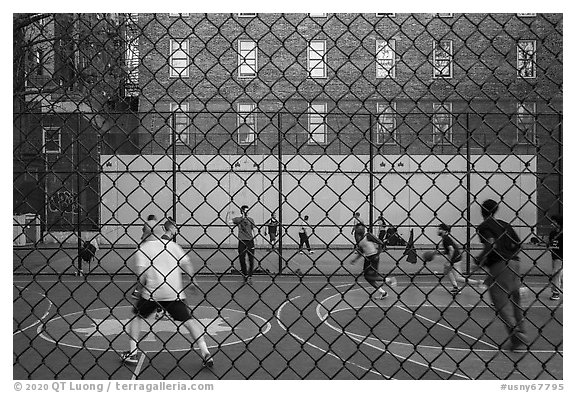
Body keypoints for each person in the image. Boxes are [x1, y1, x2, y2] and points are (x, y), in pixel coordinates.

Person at [121, 220, 213, 368]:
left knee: (138, 318)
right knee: (189, 321)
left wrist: (138, 290)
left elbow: (142, 275)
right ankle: (205, 352)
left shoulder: (142, 249)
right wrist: (192, 279)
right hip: (173, 292)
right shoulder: (172, 245)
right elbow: (187, 263)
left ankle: (132, 352)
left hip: (152, 292)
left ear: (145, 233)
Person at [475, 199, 527, 351]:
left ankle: (516, 333)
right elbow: (519, 245)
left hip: (499, 265)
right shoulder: (505, 224)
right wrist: (509, 255)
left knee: (500, 303)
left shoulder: (484, 226)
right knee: (515, 300)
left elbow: (491, 243)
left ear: (482, 211)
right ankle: (521, 330)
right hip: (515, 264)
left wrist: (480, 259)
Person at [351, 223, 397, 300]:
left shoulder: (368, 236)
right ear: (356, 229)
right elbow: (362, 251)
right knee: (367, 277)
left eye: (362, 228)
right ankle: (383, 292)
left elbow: (380, 242)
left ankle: (389, 280)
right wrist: (355, 259)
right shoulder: (359, 239)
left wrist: (378, 253)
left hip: (373, 257)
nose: (361, 230)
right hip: (367, 258)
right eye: (359, 228)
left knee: (371, 276)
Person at [229, 205, 257, 285]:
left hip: (250, 241)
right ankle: (245, 274)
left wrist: (256, 238)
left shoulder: (251, 220)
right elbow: (229, 222)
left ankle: (250, 275)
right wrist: (230, 216)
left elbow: (254, 229)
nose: (247, 212)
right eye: (246, 211)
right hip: (242, 241)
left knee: (251, 258)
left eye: (248, 211)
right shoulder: (238, 219)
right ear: (242, 211)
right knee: (242, 258)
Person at [548, 215, 563, 301]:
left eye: (554, 222)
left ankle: (556, 292)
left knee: (555, 274)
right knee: (559, 274)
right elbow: (550, 243)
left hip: (560, 257)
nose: (551, 224)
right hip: (554, 256)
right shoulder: (553, 233)